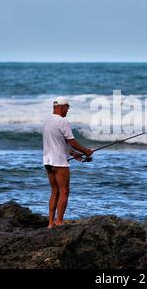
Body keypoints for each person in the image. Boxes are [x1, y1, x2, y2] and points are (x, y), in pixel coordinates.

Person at [42, 96, 93, 229]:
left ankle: (50, 223)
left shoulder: (47, 121)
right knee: (64, 191)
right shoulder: (63, 121)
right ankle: (59, 222)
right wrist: (86, 151)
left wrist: (72, 153)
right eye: (67, 108)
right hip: (59, 162)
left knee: (54, 191)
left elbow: (58, 142)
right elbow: (72, 141)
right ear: (62, 107)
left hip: (48, 161)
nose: (67, 110)